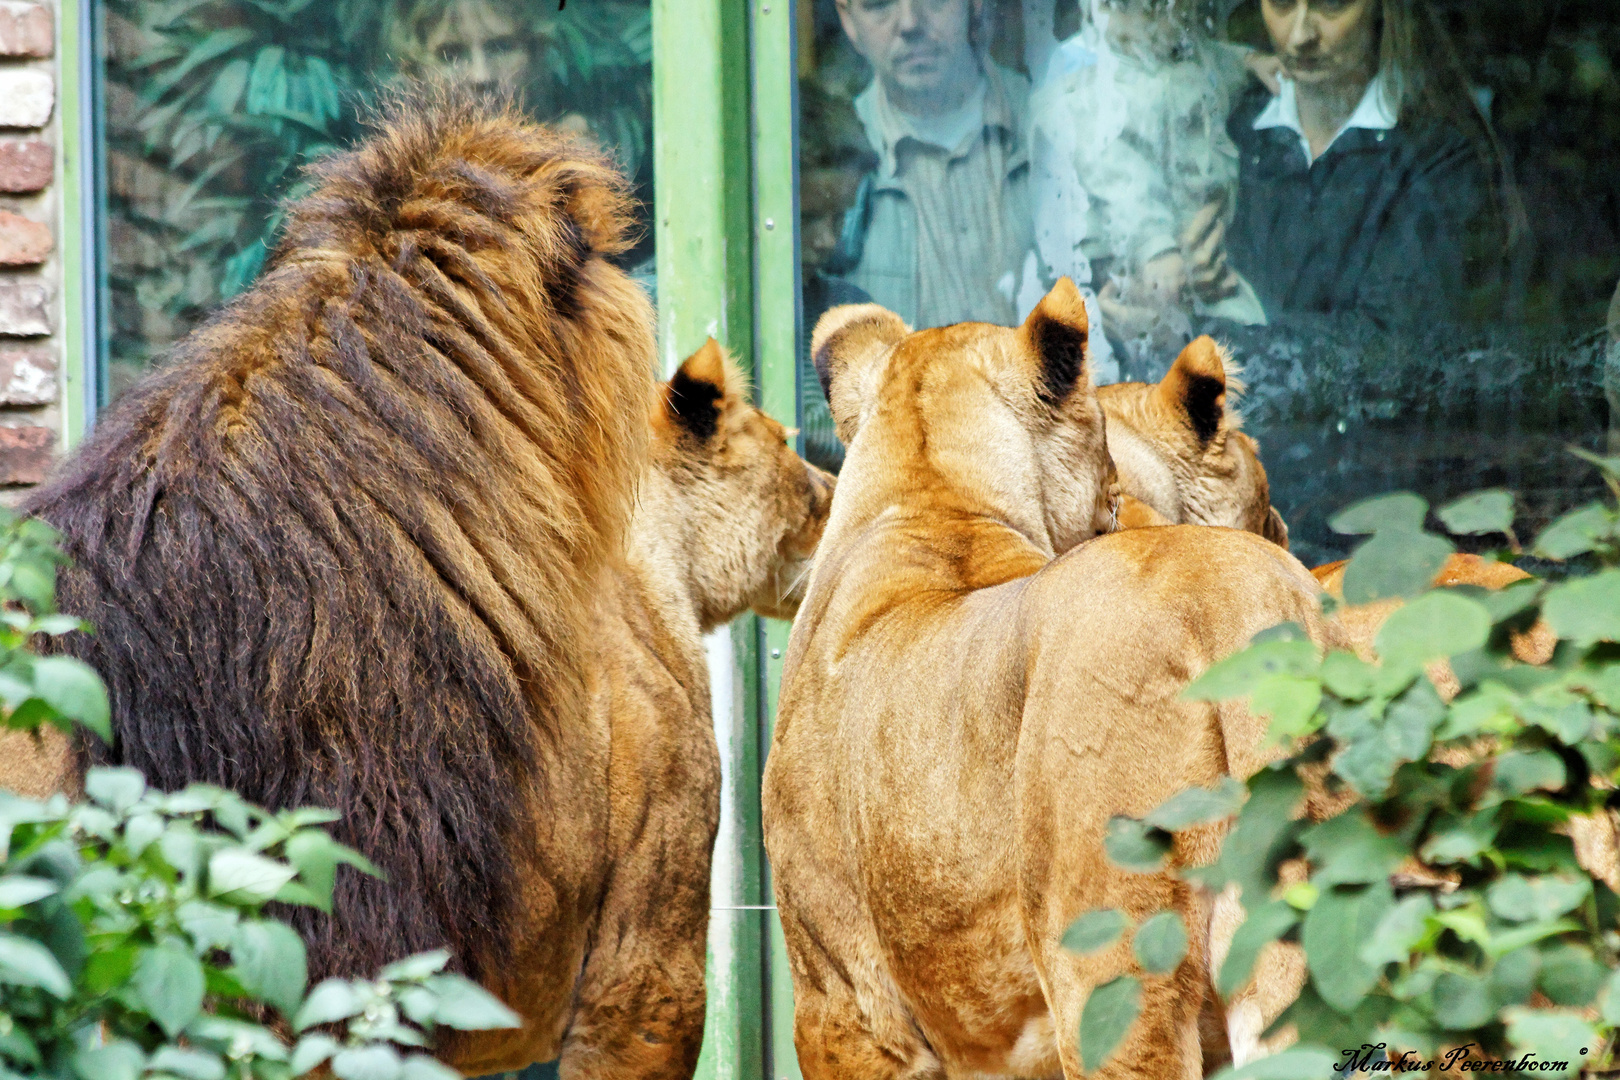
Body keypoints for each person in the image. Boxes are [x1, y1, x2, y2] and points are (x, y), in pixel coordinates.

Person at [1185, 0, 1511, 331]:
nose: (1301, 36)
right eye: (1281, 3)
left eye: (1331, 4)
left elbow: (1387, 346)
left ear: (1382, 9)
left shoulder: (1435, 156)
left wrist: (1200, 333)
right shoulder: (1228, 129)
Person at [1028, 0, 1266, 378]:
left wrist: (1252, 62)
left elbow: (1220, 63)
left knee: (1246, 333)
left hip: (1201, 249)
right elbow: (1123, 181)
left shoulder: (1192, 59)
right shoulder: (1101, 91)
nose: (1158, 24)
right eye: (1132, 10)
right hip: (1134, 248)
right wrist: (1157, 248)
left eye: (1166, 9)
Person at [829, 0, 1035, 329]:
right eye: (879, 4)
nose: (910, 23)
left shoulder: (1054, 124)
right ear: (848, 20)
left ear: (976, 4)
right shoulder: (834, 161)